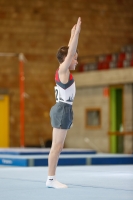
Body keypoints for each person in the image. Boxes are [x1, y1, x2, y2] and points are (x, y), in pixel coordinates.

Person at [46, 17, 81, 189]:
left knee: (59, 147)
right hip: (61, 109)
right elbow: (70, 51)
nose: (76, 60)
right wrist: (77, 34)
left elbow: (69, 50)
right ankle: (51, 179)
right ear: (67, 59)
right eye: (75, 58)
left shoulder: (63, 70)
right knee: (56, 146)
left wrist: (72, 33)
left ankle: (52, 178)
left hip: (65, 109)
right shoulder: (63, 70)